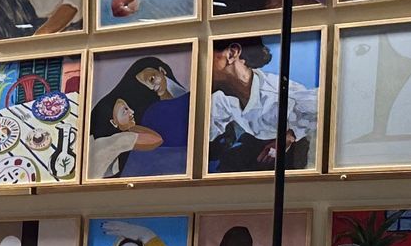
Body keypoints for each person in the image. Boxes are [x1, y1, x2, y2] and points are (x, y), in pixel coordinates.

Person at [207, 37, 319, 173]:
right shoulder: (221, 98)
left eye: (207, 55)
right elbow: (208, 132)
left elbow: (321, 104)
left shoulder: (275, 94)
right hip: (261, 144)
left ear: (231, 54)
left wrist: (289, 137)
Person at [88, 55, 183, 178]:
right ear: (113, 122)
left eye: (152, 79)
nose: (131, 112)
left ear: (162, 71)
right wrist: (130, 127)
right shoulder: (116, 141)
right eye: (125, 110)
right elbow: (156, 139)